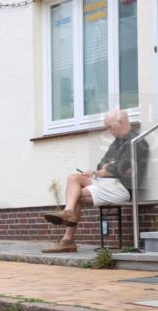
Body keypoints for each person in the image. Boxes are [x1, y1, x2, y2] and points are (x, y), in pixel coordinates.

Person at [42, 108, 149, 252]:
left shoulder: (138, 142)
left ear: (121, 122)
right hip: (107, 183)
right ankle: (68, 213)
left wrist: (106, 169)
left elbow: (122, 170)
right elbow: (102, 165)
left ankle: (68, 240)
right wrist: (106, 168)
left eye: (109, 126)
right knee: (74, 178)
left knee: (76, 195)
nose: (107, 131)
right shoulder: (116, 143)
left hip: (122, 188)